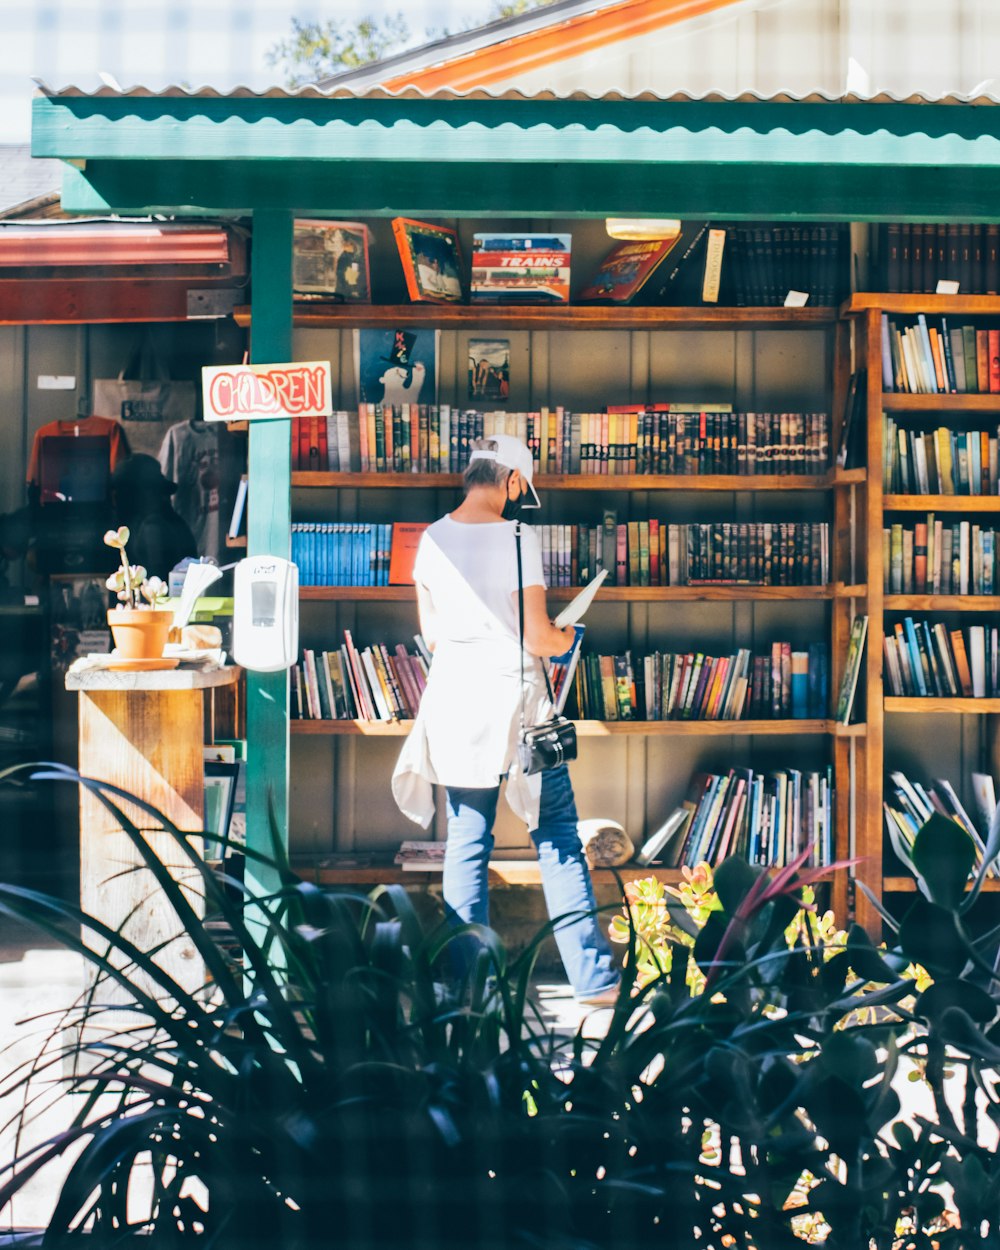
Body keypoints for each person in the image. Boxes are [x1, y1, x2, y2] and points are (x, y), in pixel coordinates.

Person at [392, 435, 620, 1005]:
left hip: (455, 704)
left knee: (468, 840)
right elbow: (538, 636)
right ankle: (592, 981)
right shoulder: (520, 536)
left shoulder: (432, 539)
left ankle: (470, 990)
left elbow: (434, 637)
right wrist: (567, 637)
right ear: (513, 480)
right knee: (558, 838)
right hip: (519, 710)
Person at [110, 453, 198, 580]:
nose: (116, 501)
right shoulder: (173, 521)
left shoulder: (152, 528)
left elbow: (156, 582)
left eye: (120, 493)